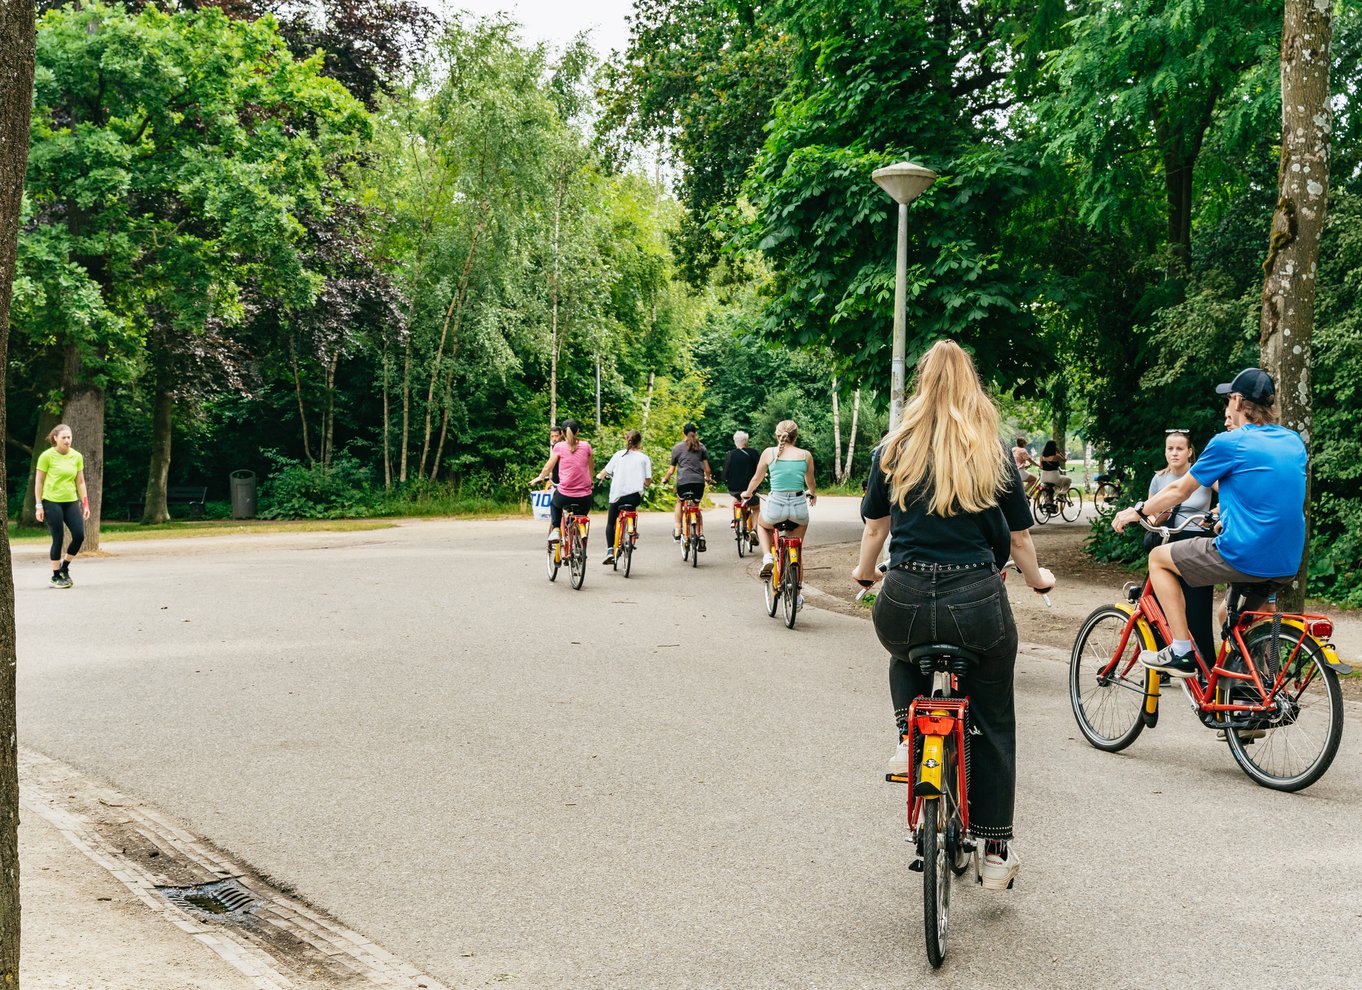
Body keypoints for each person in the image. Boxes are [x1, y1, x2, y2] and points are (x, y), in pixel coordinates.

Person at [850, 341, 1054, 891]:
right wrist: (1039, 581)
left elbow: (875, 529)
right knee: (992, 720)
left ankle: (904, 737)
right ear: (973, 386)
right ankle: (994, 852)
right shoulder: (993, 455)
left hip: (905, 594)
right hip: (977, 599)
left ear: (921, 385)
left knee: (901, 655)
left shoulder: (893, 451)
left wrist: (865, 575)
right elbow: (1018, 540)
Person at [1113, 368, 1307, 678]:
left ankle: (1180, 650)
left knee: (1158, 559)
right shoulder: (1293, 442)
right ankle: (1247, 701)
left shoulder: (1229, 443)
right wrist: (1226, 520)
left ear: (1238, 402)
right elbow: (1267, 496)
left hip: (1244, 554)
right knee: (1228, 617)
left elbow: (1179, 489)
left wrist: (1138, 510)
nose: (1227, 407)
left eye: (1229, 399)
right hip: (1286, 560)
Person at [1145, 429, 1216, 667]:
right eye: (1170, 448)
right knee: (1160, 602)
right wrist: (1157, 517)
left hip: (1195, 540)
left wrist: (1216, 513)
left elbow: (1230, 497)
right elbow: (1151, 512)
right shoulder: (1159, 479)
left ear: (1189, 452)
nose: (1174, 453)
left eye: (1179, 449)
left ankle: (1204, 665)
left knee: (1198, 607)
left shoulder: (1202, 475)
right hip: (1168, 540)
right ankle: (1163, 661)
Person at [741, 420, 817, 579]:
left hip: (775, 507)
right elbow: (810, 482)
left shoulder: (769, 453)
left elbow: (757, 478)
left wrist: (747, 493)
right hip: (798, 509)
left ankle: (768, 556)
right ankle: (797, 593)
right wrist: (812, 493)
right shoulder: (805, 455)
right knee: (797, 550)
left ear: (777, 435)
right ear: (795, 436)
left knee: (761, 524)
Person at [34, 423, 90, 589]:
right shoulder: (46, 456)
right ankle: (55, 575)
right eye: (64, 437)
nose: (67, 440)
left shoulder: (77, 456)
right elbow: (39, 481)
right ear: (55, 438)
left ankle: (65, 567)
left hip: (71, 501)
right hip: (51, 501)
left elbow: (80, 482)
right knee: (58, 537)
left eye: (69, 437)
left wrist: (85, 503)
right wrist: (38, 505)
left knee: (79, 535)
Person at [530, 419, 594, 544]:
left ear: (563, 434)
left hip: (565, 495)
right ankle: (577, 533)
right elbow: (590, 468)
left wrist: (541, 477)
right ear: (578, 432)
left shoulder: (559, 447)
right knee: (580, 514)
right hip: (585, 497)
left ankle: (556, 529)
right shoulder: (586, 446)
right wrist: (591, 482)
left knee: (554, 504)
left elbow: (548, 467)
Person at [596, 430, 652, 565]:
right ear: (639, 442)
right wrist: (645, 483)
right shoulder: (644, 458)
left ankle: (610, 551)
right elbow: (648, 480)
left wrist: (599, 476)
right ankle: (632, 530)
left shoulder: (618, 455)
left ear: (627, 440)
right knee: (632, 509)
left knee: (611, 523)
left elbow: (604, 472)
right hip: (634, 498)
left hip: (617, 497)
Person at [662, 423, 714, 550]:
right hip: (698, 483)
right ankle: (700, 535)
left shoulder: (677, 448)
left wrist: (665, 479)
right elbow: (707, 468)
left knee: (680, 501)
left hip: (683, 482)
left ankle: (678, 530)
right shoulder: (701, 447)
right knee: (696, 507)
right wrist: (708, 478)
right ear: (695, 433)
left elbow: (671, 470)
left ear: (683, 433)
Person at [723, 431, 761, 519]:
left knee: (736, 499)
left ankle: (735, 520)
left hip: (734, 488)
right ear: (746, 441)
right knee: (756, 508)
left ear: (735, 442)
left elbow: (725, 473)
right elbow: (759, 470)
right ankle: (755, 529)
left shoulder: (730, 454)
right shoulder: (753, 453)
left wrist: (726, 480)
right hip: (750, 489)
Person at [1036, 440, 1070, 507]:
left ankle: (1049, 500)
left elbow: (1041, 467)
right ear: (1054, 447)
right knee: (1068, 480)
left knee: (1050, 487)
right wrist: (1059, 452)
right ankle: (1061, 494)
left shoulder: (1042, 457)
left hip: (1043, 478)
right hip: (1054, 478)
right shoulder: (1056, 456)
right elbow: (1065, 460)